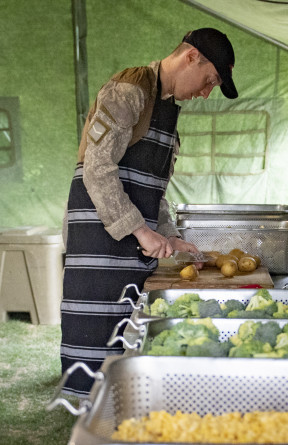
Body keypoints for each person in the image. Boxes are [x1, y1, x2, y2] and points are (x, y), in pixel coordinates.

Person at [60, 28, 238, 397]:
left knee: (127, 331)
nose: (206, 94)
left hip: (131, 239)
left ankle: (122, 410)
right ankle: (86, 422)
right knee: (93, 335)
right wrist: (141, 231)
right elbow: (98, 168)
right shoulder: (128, 90)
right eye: (209, 81)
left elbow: (154, 190)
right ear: (191, 57)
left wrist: (168, 234)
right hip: (98, 233)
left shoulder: (170, 114)